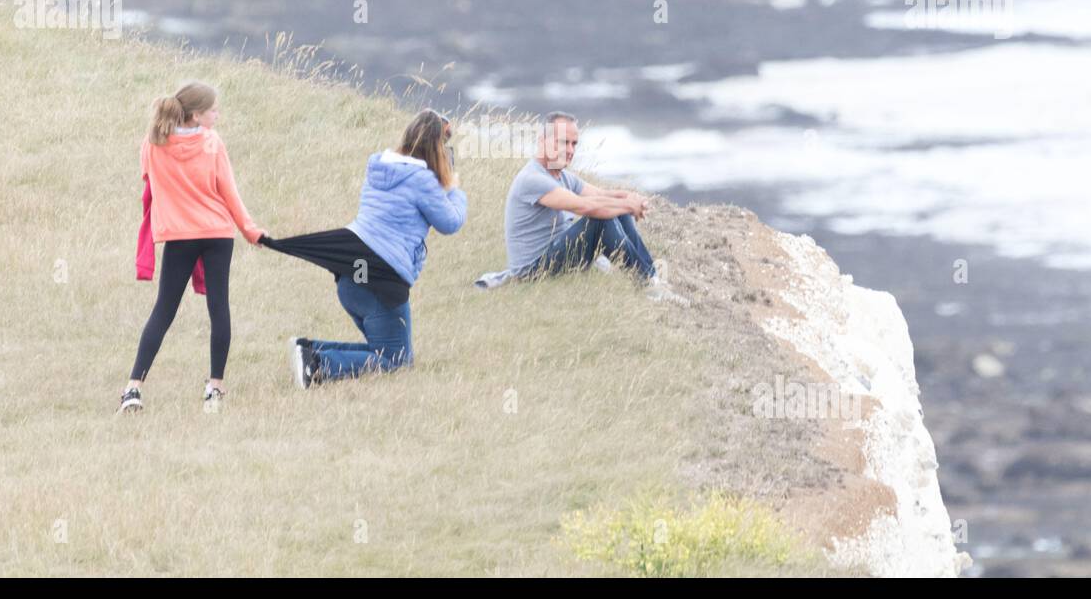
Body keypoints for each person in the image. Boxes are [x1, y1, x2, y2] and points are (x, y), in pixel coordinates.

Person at [261, 109, 467, 388]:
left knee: (385, 351)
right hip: (380, 280)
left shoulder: (378, 166)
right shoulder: (423, 181)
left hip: (351, 277)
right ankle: (317, 365)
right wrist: (454, 188)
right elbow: (450, 222)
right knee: (396, 361)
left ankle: (307, 349)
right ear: (438, 149)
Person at [119, 81, 265, 414]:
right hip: (217, 233)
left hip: (179, 235)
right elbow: (229, 191)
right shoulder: (212, 143)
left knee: (164, 310)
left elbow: (149, 179)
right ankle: (215, 387)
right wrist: (250, 231)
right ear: (197, 115)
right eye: (214, 109)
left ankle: (133, 388)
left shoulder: (153, 144)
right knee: (219, 308)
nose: (218, 114)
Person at [500, 111, 686, 302]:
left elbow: (601, 195)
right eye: (564, 142)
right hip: (531, 272)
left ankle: (652, 279)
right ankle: (647, 284)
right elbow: (585, 207)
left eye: (574, 144)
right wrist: (627, 205)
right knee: (601, 219)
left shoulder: (561, 176)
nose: (570, 150)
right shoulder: (533, 179)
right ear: (542, 141)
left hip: (554, 254)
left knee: (617, 212)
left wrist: (629, 198)